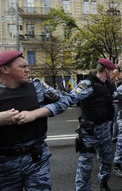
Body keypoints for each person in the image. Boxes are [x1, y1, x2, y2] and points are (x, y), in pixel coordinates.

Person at [0, 50, 73, 191]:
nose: (28, 70)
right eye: (22, 67)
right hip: (4, 164)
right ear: (5, 69)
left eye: (27, 66)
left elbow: (65, 100)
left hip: (36, 159)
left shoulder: (37, 86)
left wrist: (36, 113)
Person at [69, 58, 116, 191]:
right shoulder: (88, 84)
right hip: (90, 132)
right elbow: (71, 98)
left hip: (105, 130)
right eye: (112, 70)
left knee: (107, 161)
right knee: (85, 166)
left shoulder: (106, 84)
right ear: (106, 70)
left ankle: (104, 182)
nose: (114, 73)